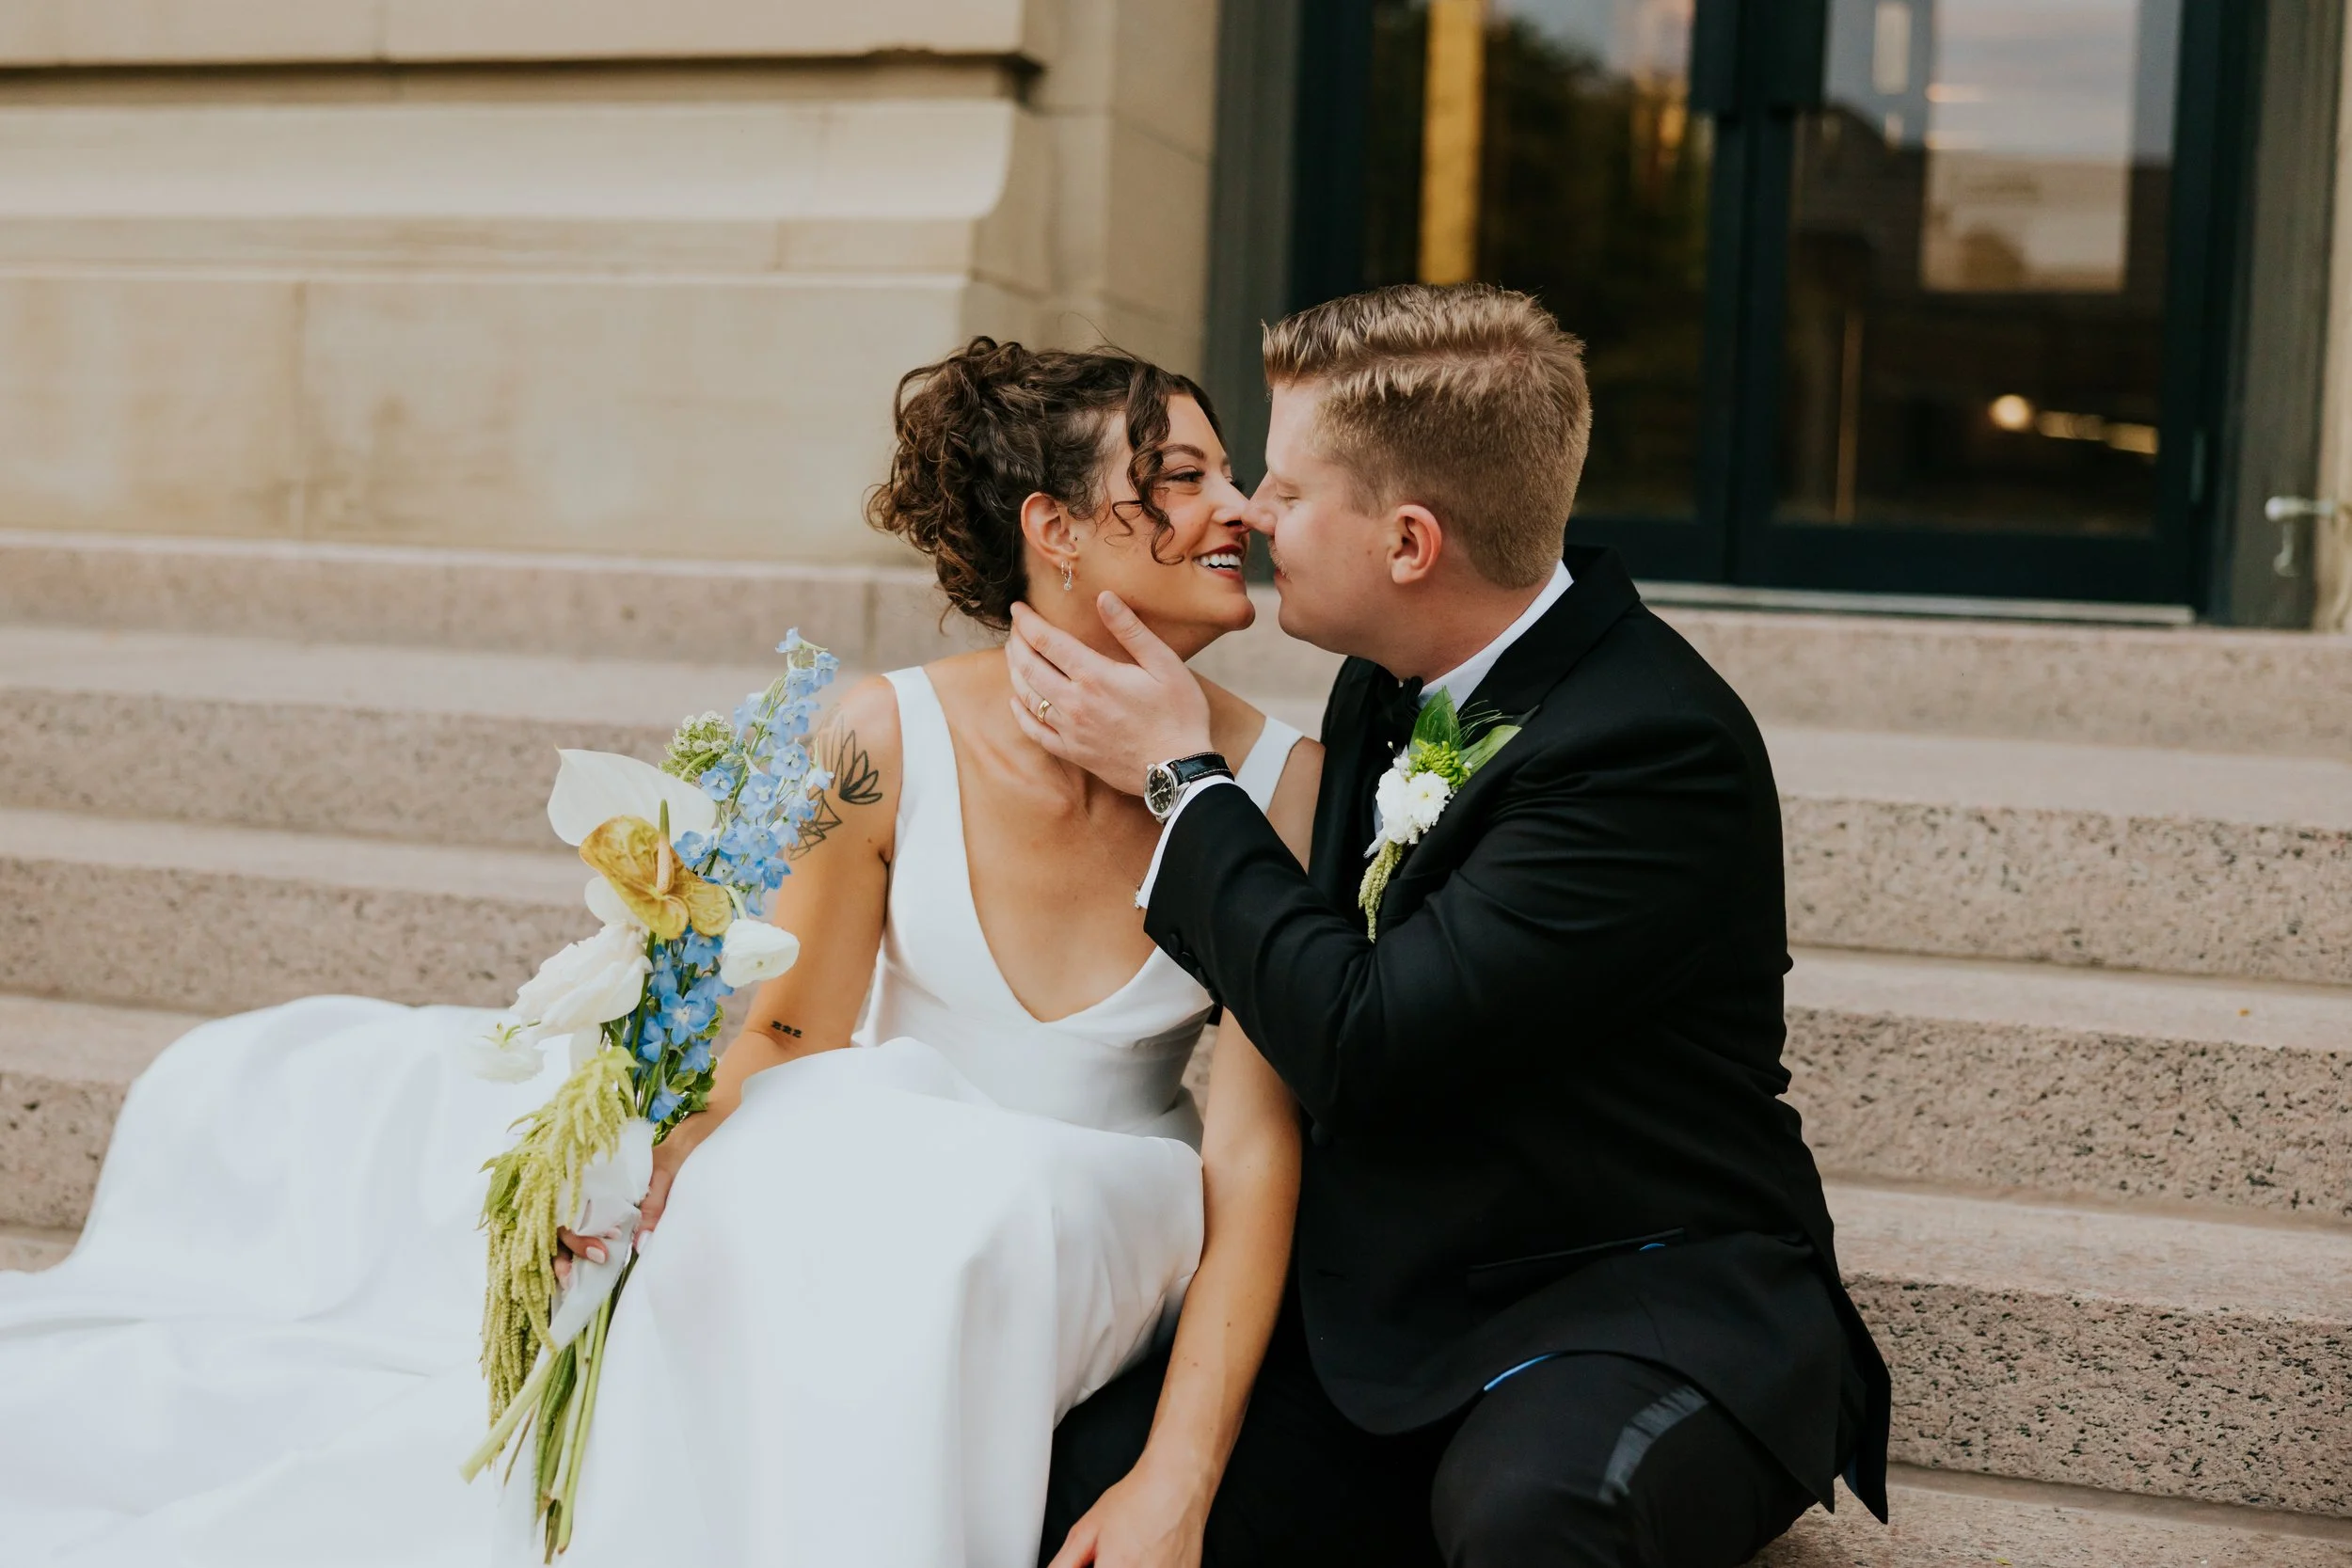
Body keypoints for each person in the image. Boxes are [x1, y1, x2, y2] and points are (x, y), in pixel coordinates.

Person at [0, 339, 1320, 1568]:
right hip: (885, 1160)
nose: (1242, 507)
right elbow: (790, 1033)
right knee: (780, 1192)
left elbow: (1254, 1149)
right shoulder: (886, 737)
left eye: (1229, 474)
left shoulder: (1283, 781)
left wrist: (1178, 1478)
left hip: (1088, 1206)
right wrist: (664, 1155)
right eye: (1185, 476)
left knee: (972, 1217)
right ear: (1057, 530)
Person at [1010, 283, 1892, 1568]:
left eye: (1288, 487)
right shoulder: (1384, 679)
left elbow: (1366, 1042)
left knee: (1535, 1519)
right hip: (1399, 1309)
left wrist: (1183, 781)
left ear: (1410, 543)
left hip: (1632, 1301)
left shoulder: (1647, 749)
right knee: (1085, 1484)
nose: (1252, 511)